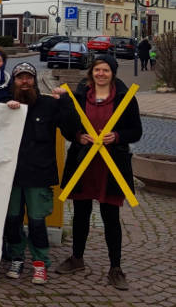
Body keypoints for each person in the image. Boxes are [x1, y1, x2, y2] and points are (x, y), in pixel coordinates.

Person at [57, 55, 142, 290]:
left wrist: (117, 136)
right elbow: (67, 126)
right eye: (97, 70)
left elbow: (136, 131)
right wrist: (77, 136)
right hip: (84, 163)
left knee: (111, 217)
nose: (101, 74)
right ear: (91, 72)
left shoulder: (125, 99)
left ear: (112, 73)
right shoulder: (81, 96)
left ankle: (116, 268)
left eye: (105, 70)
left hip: (111, 165)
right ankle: (77, 258)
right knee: (81, 214)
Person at [0, 62, 62, 284]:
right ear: (14, 82)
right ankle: (17, 257)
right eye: (20, 78)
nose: (24, 81)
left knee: (37, 222)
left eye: (28, 77)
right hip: (12, 176)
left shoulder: (48, 105)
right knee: (12, 220)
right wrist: (3, 105)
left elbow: (71, 125)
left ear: (34, 80)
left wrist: (65, 99)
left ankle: (40, 262)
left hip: (38, 176)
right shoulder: (4, 105)